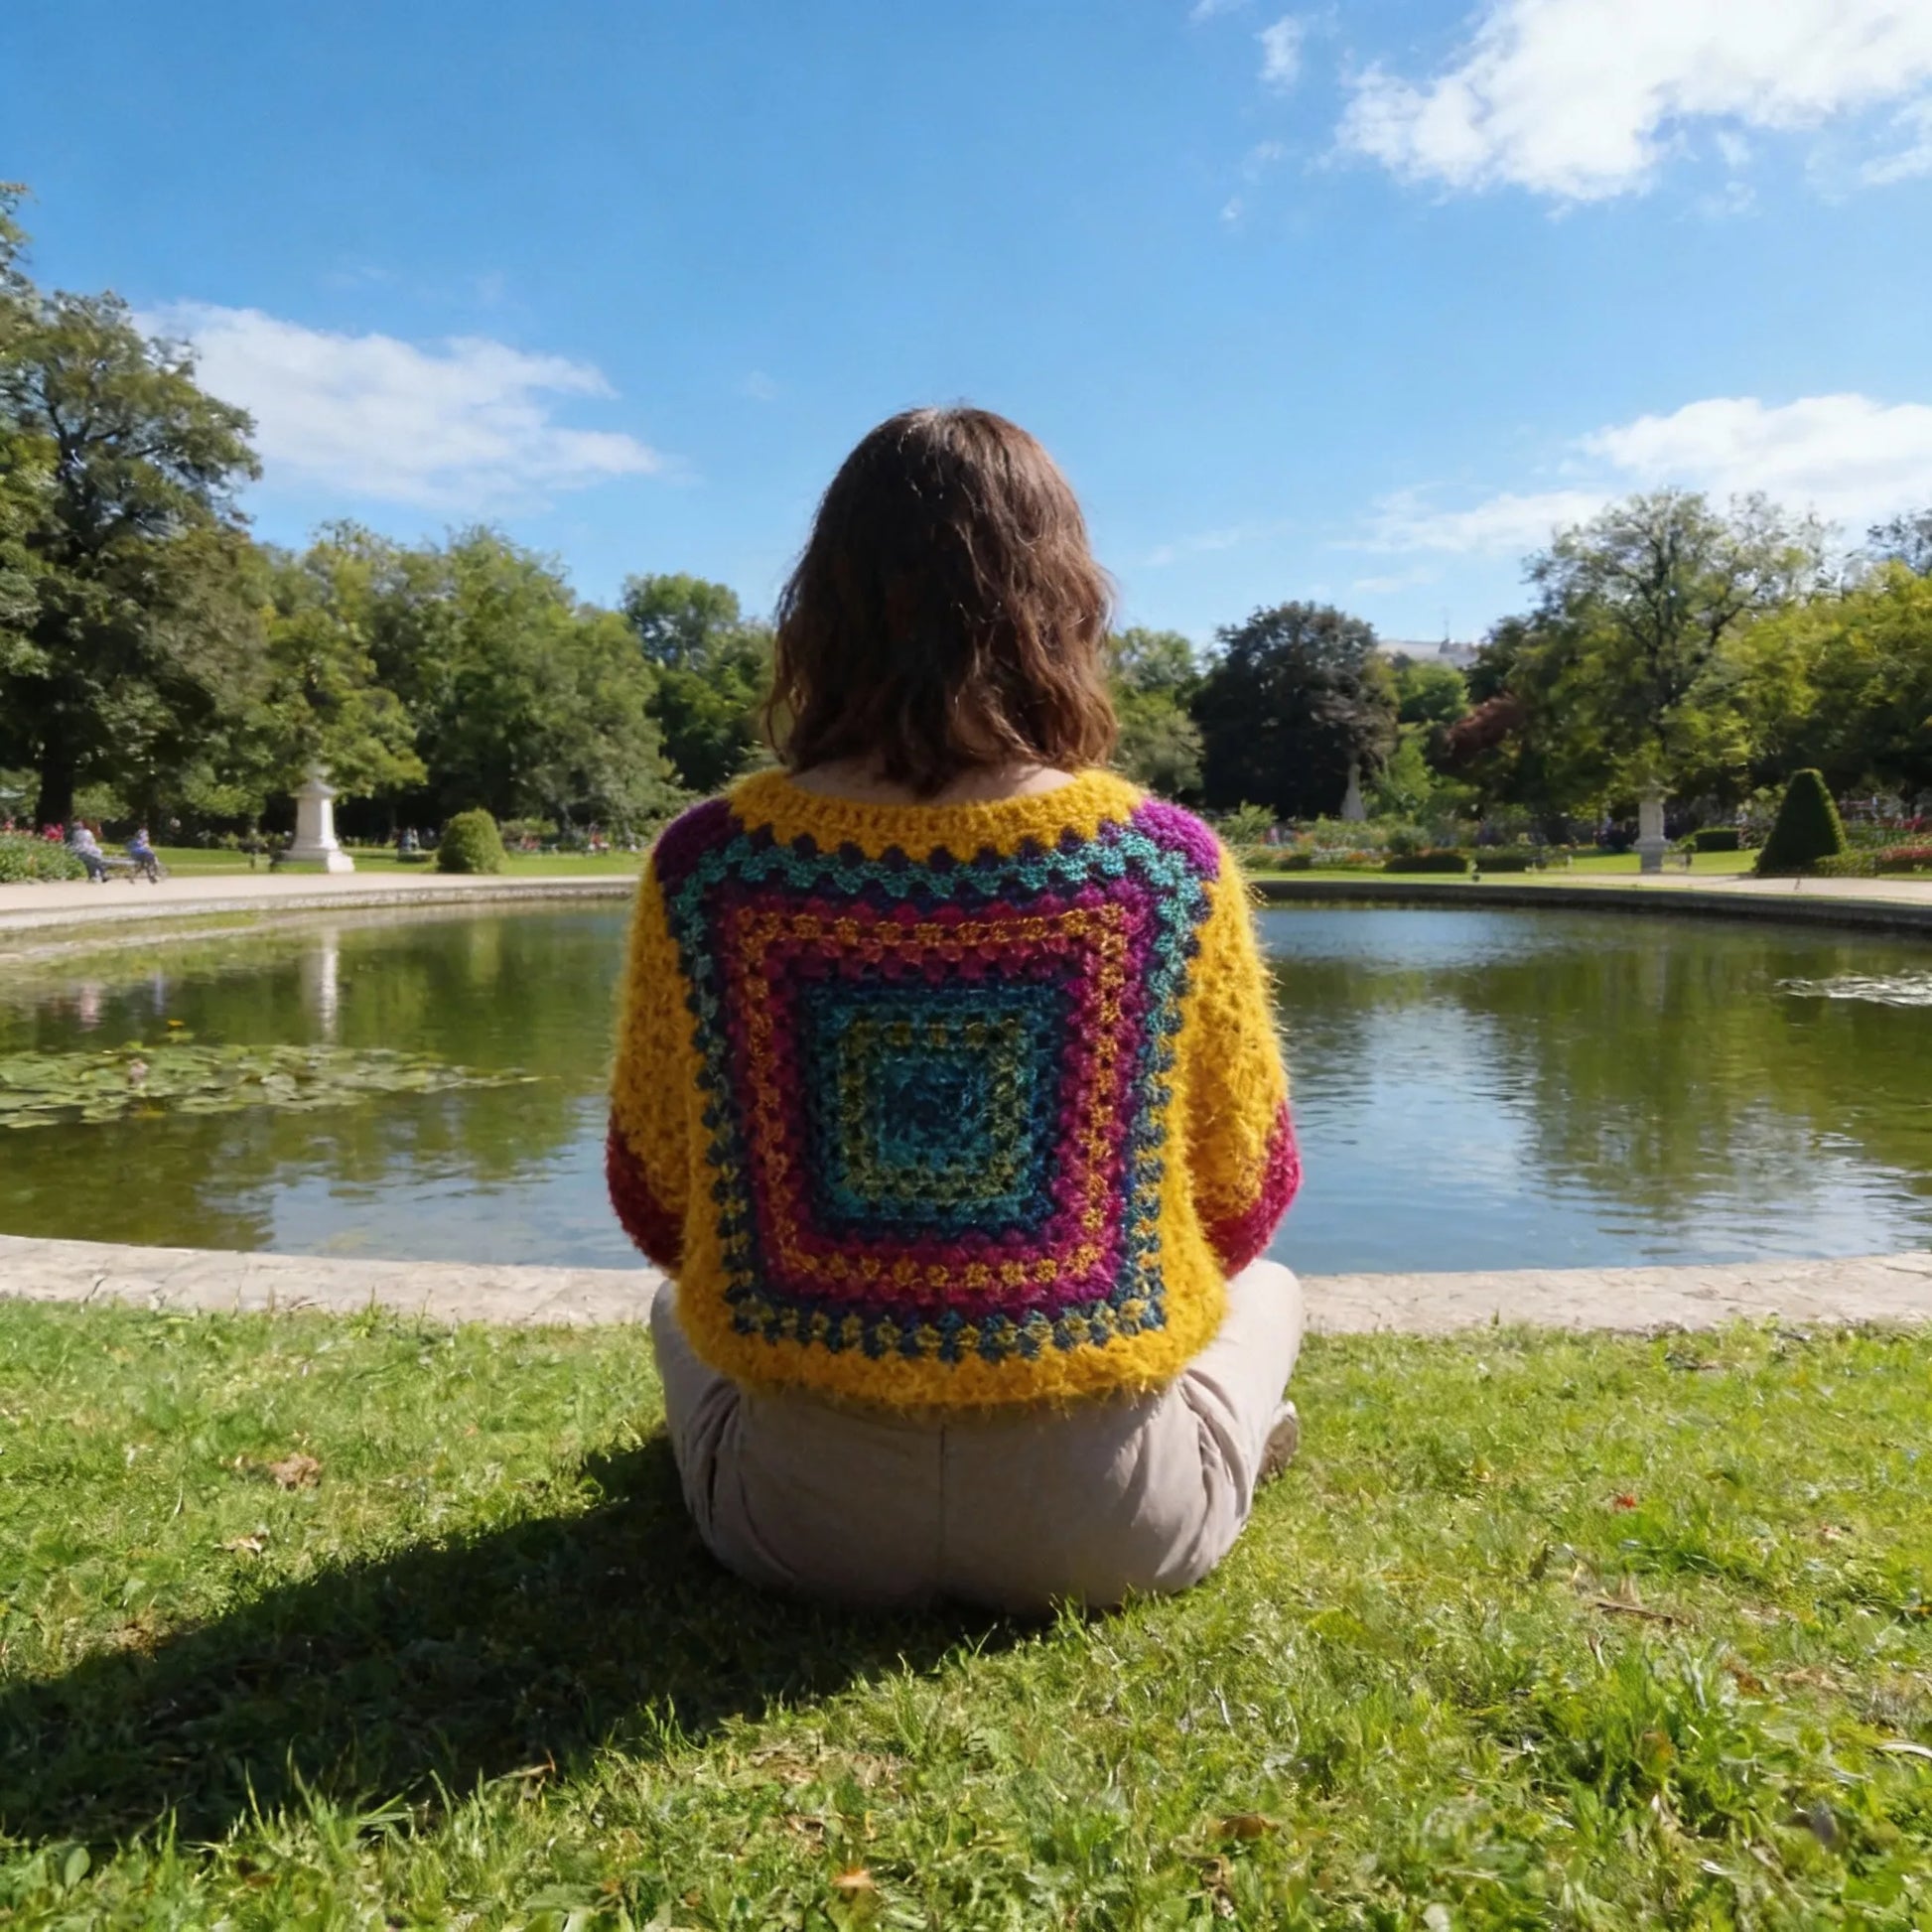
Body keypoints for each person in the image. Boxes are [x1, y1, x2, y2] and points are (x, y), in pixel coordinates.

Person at [607, 407, 1303, 1614]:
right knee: (1274, 1291)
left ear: (819, 604)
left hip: (793, 1524)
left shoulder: (708, 866)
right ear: (1063, 598)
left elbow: (657, 1200)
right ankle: (1218, 1447)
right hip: (1109, 1521)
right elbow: (1242, 1202)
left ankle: (1205, 1446)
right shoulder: (1164, 870)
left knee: (678, 1303)